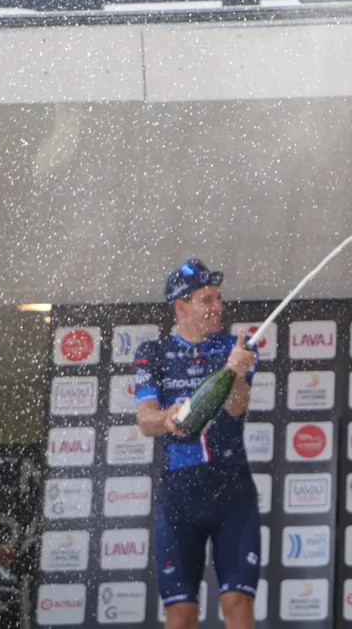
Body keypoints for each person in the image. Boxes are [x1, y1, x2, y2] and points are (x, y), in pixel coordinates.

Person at [134, 259, 260, 629]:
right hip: (180, 499)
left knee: (237, 604)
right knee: (181, 614)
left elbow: (237, 410)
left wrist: (236, 374)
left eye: (219, 298)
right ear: (181, 306)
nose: (218, 307)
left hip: (233, 496)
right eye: (208, 299)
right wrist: (166, 418)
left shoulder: (237, 347)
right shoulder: (152, 353)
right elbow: (145, 420)